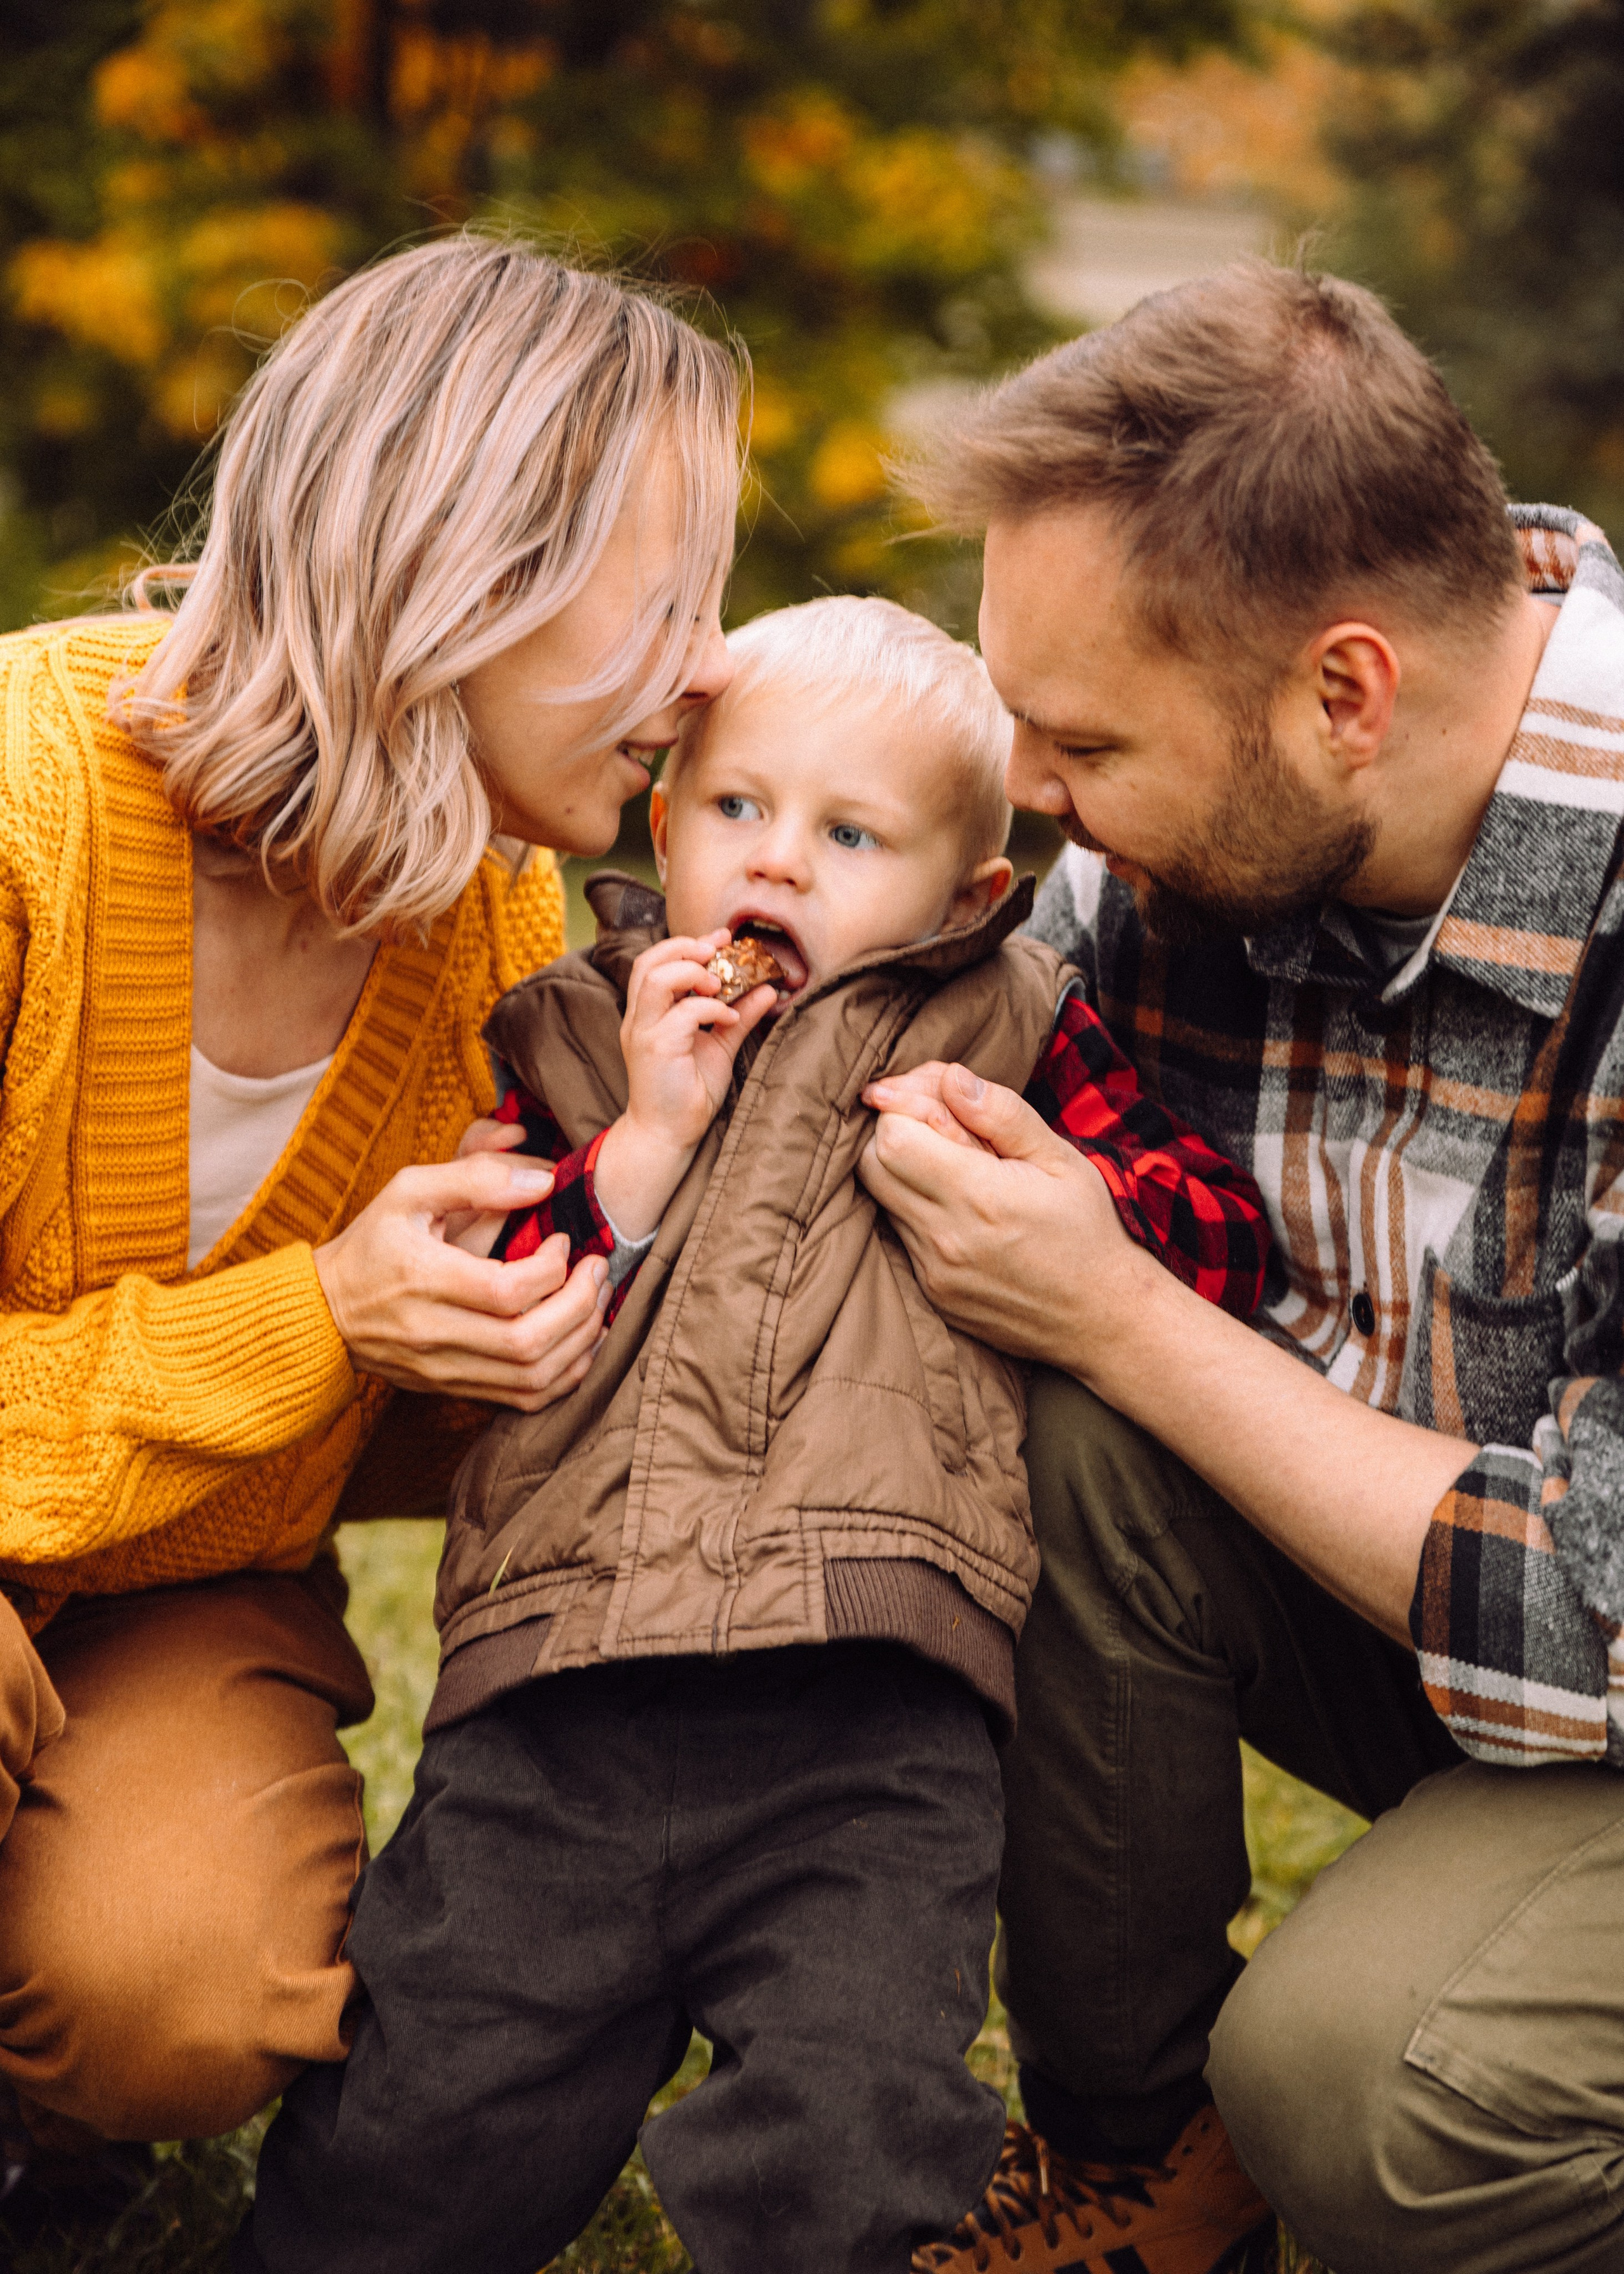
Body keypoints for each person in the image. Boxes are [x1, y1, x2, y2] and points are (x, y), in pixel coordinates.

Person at [232, 596, 1272, 2274]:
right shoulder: (568, 1036)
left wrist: (1071, 1199)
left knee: (855, 2120)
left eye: (852, 835)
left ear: (971, 892)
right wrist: (644, 1137)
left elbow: (1220, 1241)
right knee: (431, 2114)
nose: (777, 865)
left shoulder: (1009, 1028)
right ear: (665, 822)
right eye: (738, 810)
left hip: (869, 1705)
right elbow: (484, 1305)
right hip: (561, 1692)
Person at [855, 260, 1624, 2274]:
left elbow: (1593, 1623)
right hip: (1443, 1612)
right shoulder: (1204, 842)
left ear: (1344, 694)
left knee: (1373, 2089)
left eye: (1081, 737)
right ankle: (1139, 2165)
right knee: (1071, 1431)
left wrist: (1116, 1304)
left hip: (1597, 1646)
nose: (1034, 793)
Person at [0, 235, 744, 2229]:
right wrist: (320, 1314)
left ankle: (46, 2124)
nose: (701, 670)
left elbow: (450, 1416)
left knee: (183, 1993)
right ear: (455, 558)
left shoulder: (495, 931)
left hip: (169, 1580)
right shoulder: (22, 806)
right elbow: (313, 1339)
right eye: (664, 595)